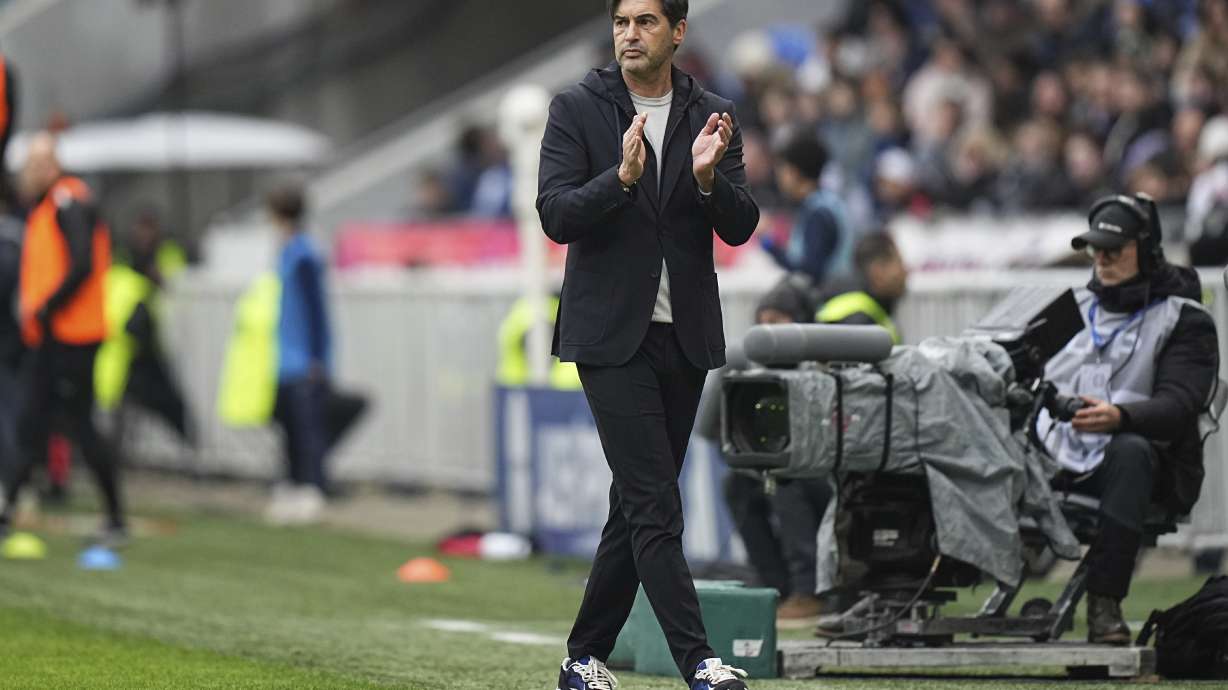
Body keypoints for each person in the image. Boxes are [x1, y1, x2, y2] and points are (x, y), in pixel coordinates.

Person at [536, 0, 759, 687]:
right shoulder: (576, 107)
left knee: (634, 504)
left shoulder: (713, 113)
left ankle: (583, 656)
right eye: (622, 22)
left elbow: (742, 224)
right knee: (657, 500)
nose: (630, 34)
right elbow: (556, 214)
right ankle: (700, 659)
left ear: (678, 31)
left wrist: (704, 178)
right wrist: (623, 179)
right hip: (609, 337)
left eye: (646, 22)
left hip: (684, 337)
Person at [1038, 193, 1219, 644]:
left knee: (1130, 451)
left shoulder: (1185, 319)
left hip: (1144, 464)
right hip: (1058, 454)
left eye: (1113, 250)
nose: (1101, 259)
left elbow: (1180, 405)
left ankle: (1105, 603)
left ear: (1147, 249)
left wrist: (1120, 416)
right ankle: (897, 586)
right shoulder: (1070, 309)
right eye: (1095, 249)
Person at [1, 132, 125, 546]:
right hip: (52, 336)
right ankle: (9, 510)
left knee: (79, 424)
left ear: (48, 166)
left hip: (73, 336)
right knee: (31, 421)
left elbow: (83, 263)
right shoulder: (48, 207)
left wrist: (47, 306)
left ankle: (115, 515)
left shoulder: (68, 201)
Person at [266, 184, 334, 524]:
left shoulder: (305, 254)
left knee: (308, 429)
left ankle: (312, 488)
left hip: (302, 358)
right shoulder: (288, 250)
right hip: (286, 356)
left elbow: (315, 309)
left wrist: (316, 356)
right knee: (289, 427)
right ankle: (292, 485)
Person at [759, 129, 855, 287]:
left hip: (829, 303)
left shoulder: (819, 213)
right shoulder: (826, 204)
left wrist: (768, 243)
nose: (778, 177)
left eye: (782, 169)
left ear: (794, 172)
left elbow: (809, 272)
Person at [815, 231, 909, 344]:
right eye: (899, 262)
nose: (905, 271)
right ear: (878, 272)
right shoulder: (860, 321)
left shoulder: (867, 308)